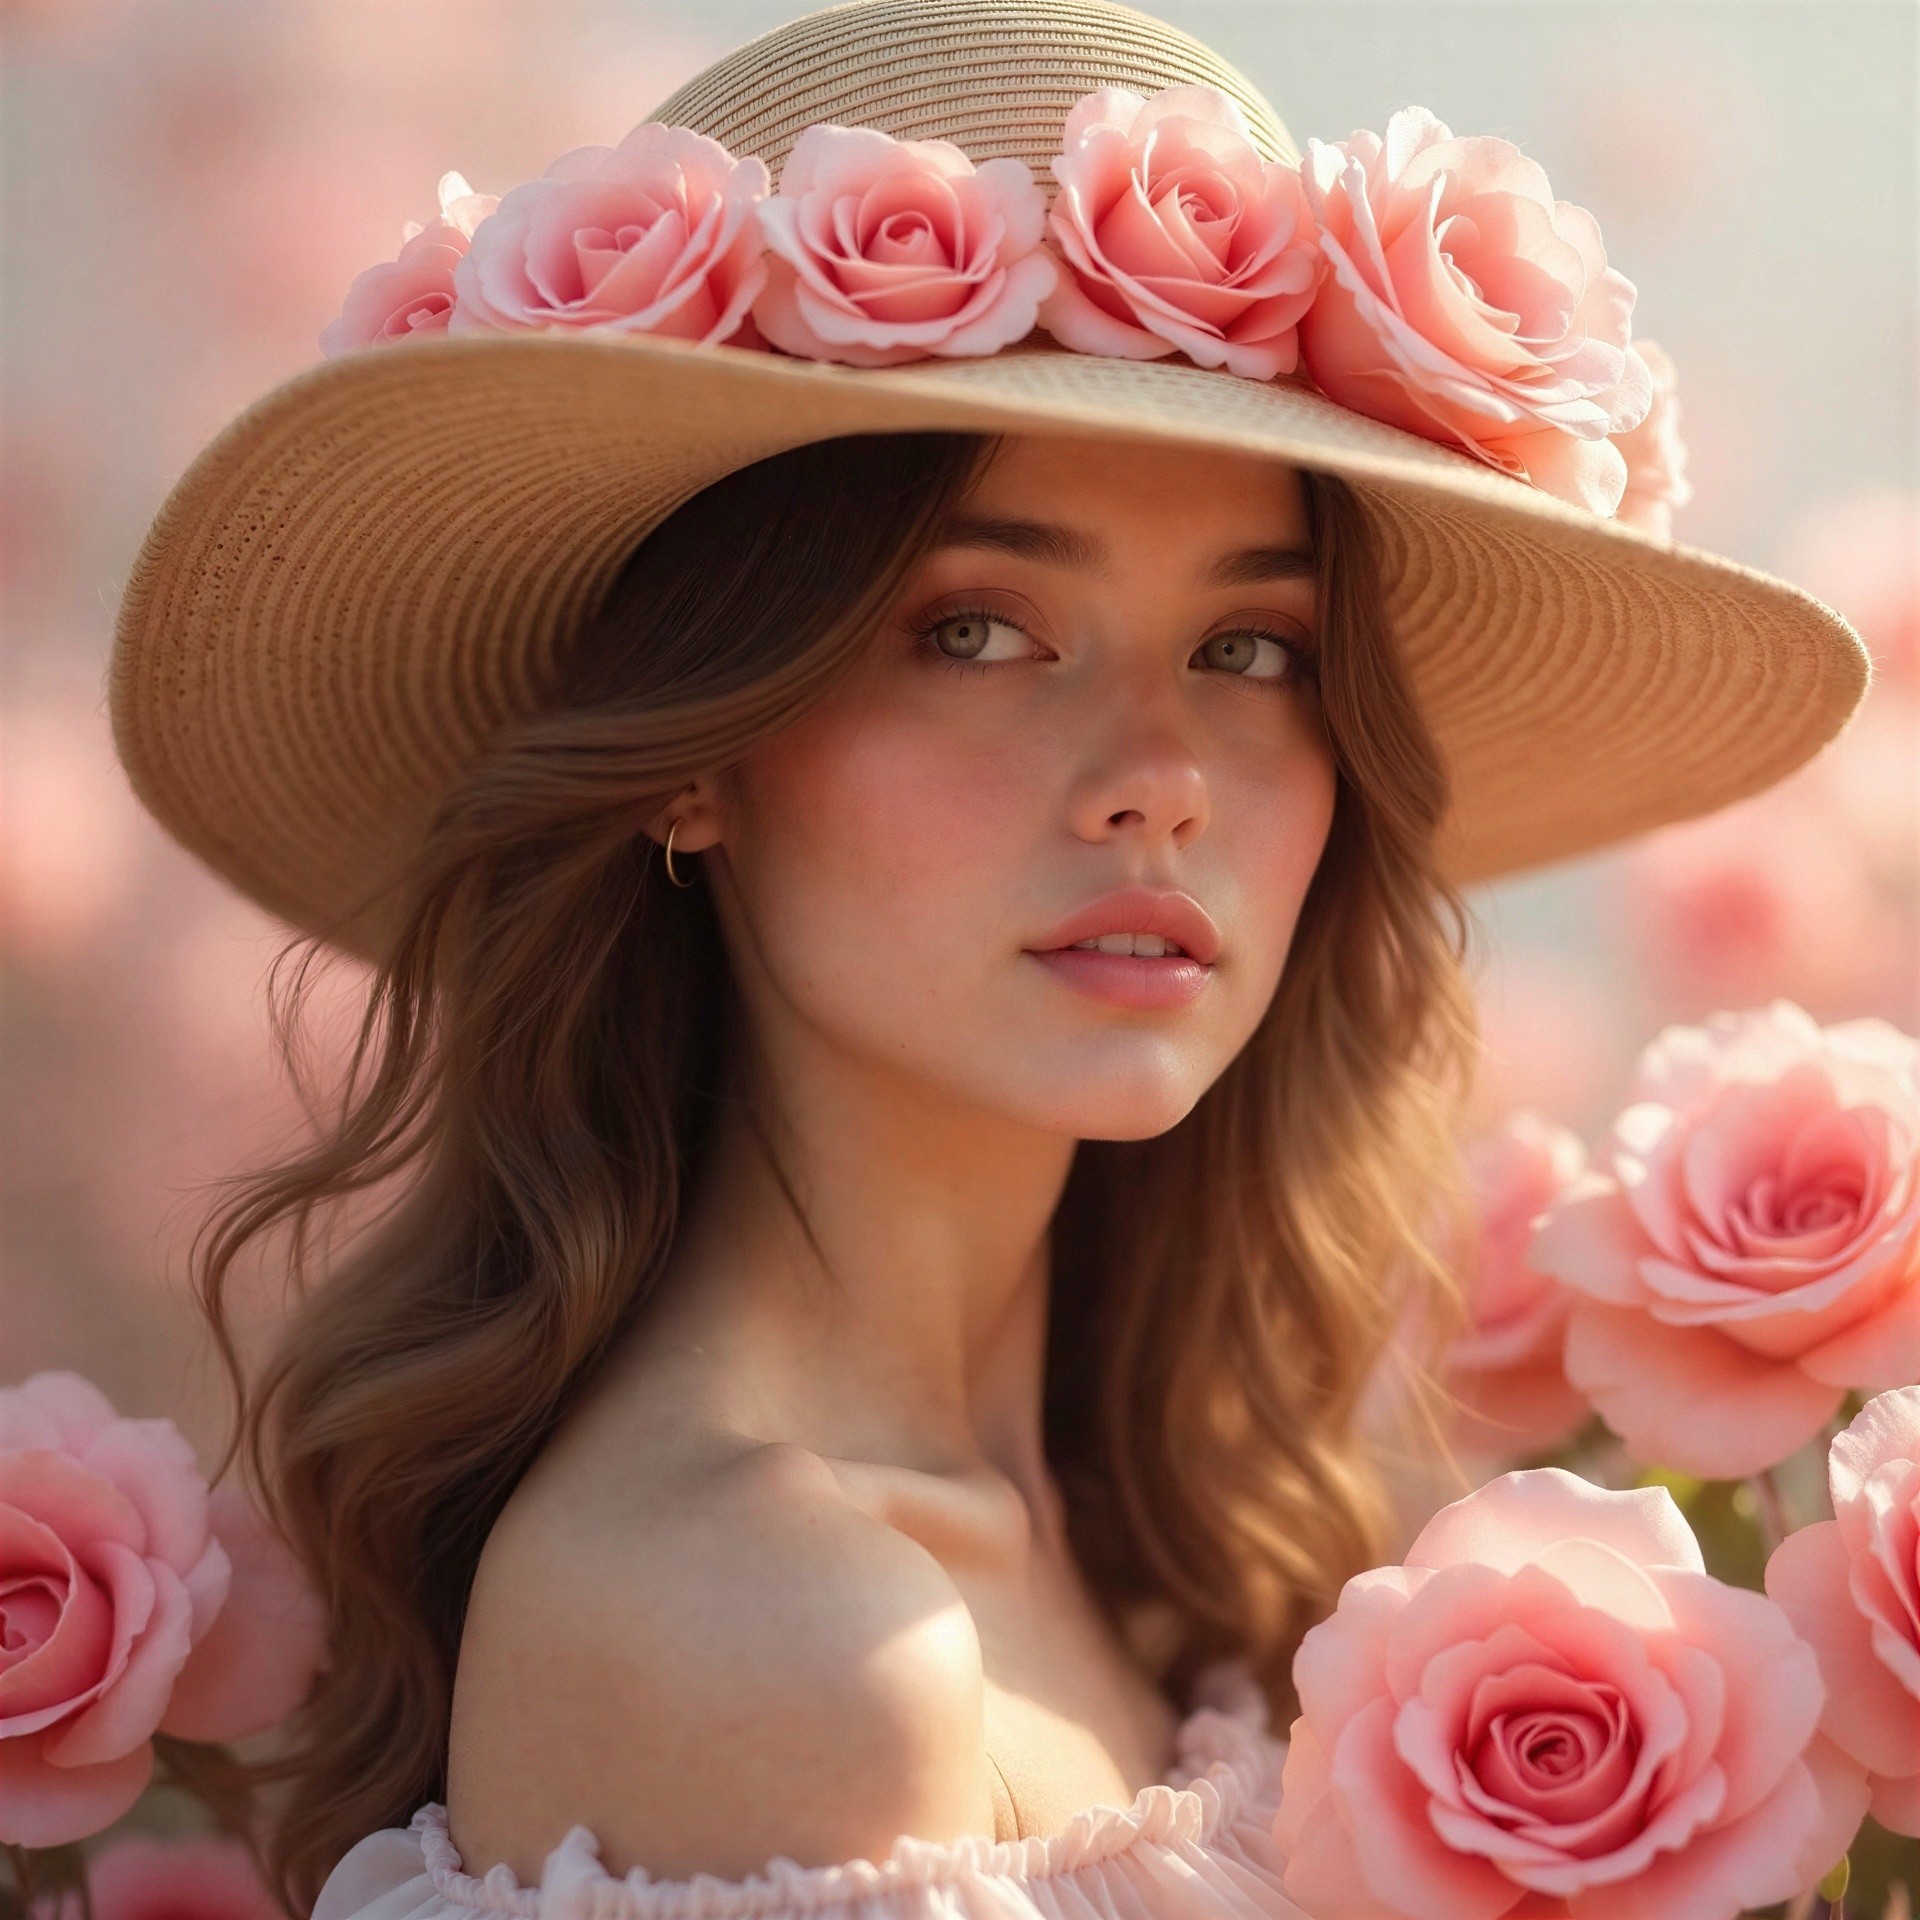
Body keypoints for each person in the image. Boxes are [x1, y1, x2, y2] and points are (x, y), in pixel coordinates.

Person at [105, 0, 1867, 1914]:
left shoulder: (1138, 1524)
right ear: (693, 756)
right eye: (978, 631)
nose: (1159, 782)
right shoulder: (768, 1635)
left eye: (1252, 648)